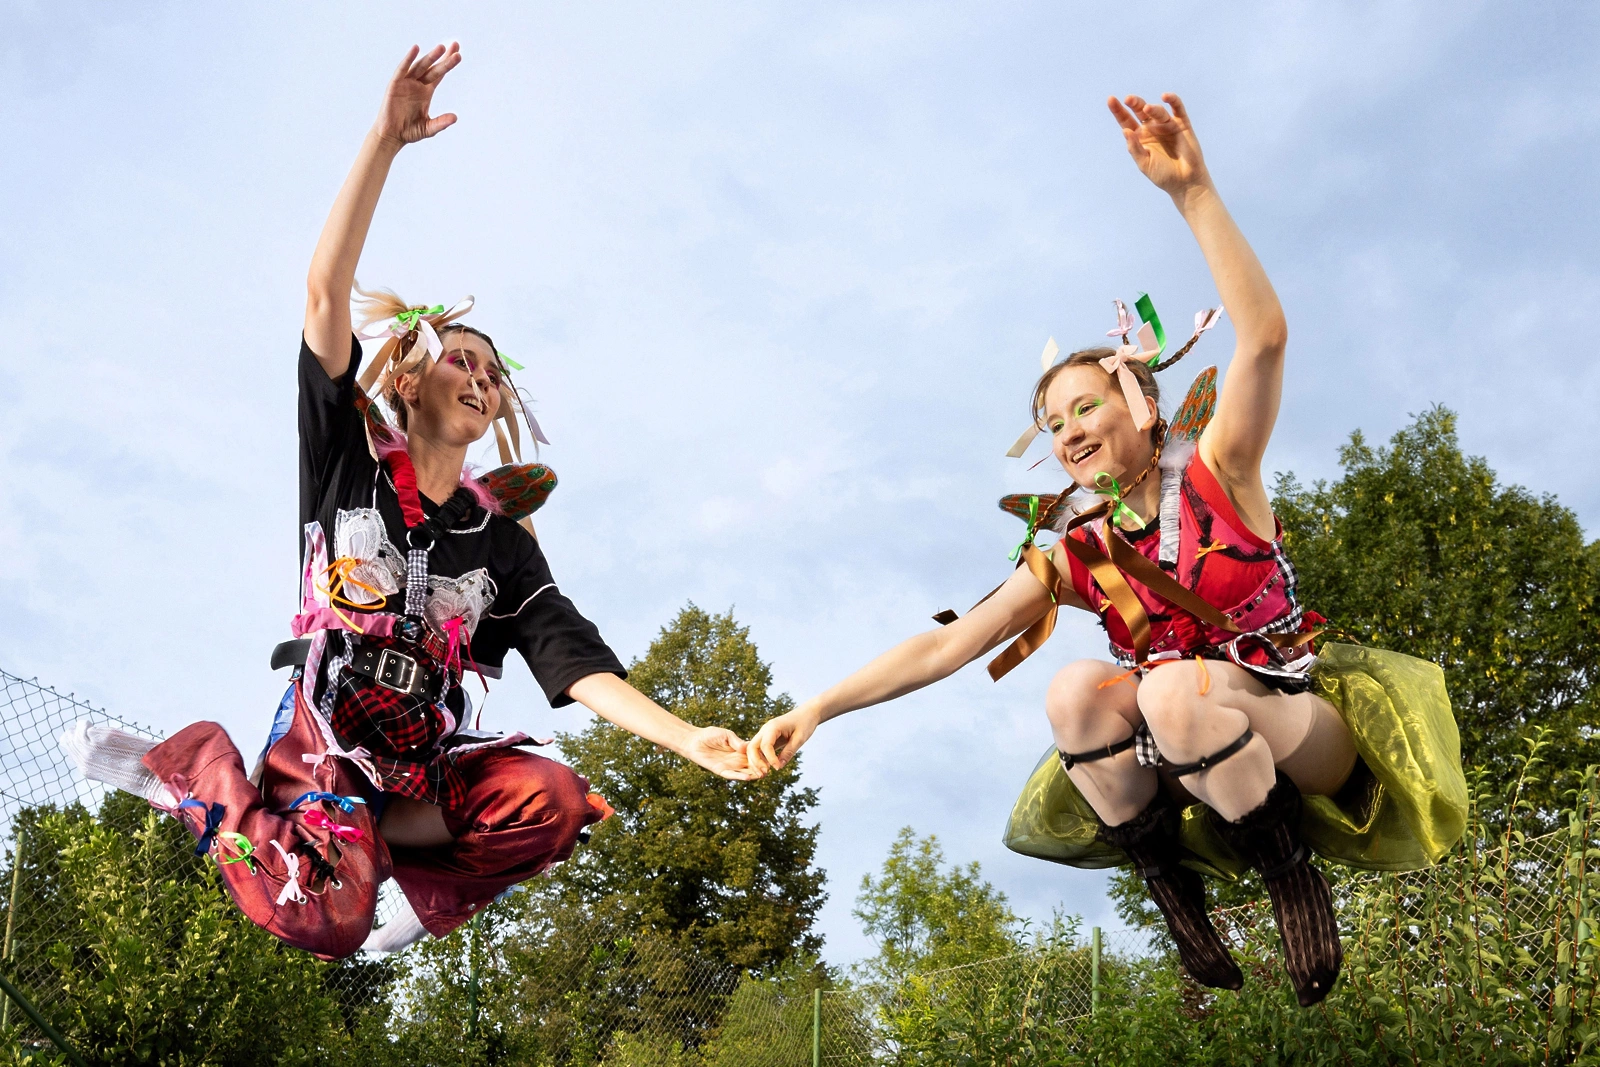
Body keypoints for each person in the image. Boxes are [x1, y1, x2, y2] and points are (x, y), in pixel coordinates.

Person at [745, 93, 1465, 1008]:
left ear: (1143, 406)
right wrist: (815, 709)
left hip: (1300, 727)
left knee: (1170, 685)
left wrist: (1192, 191)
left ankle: (1293, 880)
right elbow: (943, 646)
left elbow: (1267, 338)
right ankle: (1176, 892)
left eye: (1086, 404)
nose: (1069, 429)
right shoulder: (1075, 551)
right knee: (1072, 690)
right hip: (1193, 756)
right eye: (1052, 422)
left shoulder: (1221, 471)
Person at [61, 43, 754, 961]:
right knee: (319, 922)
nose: (482, 380)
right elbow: (323, 293)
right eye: (463, 360)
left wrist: (686, 739)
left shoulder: (497, 539)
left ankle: (406, 890)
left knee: (557, 803)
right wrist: (385, 143)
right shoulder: (345, 458)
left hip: (420, 772)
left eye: (496, 376)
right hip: (326, 753)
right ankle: (202, 773)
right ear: (414, 377)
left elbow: (576, 662)